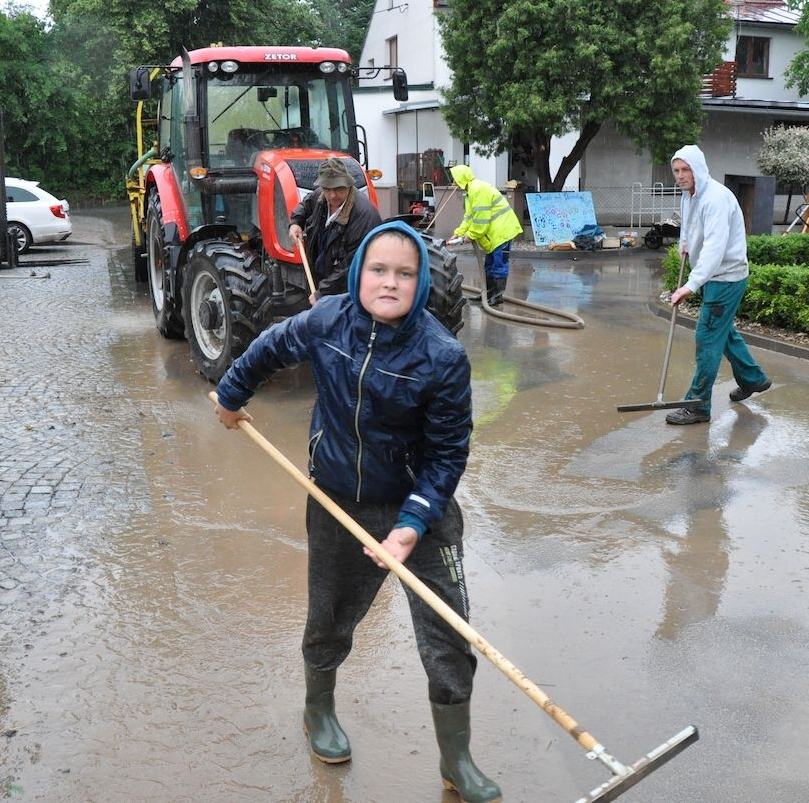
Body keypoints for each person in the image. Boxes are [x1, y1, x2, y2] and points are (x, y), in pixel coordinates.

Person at [214, 220, 501, 803]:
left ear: (421, 284)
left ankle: (456, 759)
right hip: (339, 498)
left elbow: (448, 455)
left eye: (405, 273)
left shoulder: (443, 357)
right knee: (329, 616)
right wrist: (231, 394)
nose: (389, 282)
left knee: (449, 630)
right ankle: (317, 710)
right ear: (358, 273)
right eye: (378, 270)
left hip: (422, 507)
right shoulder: (328, 321)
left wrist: (410, 527)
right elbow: (270, 345)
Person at [667, 145, 771, 425]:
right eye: (676, 170)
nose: (680, 175)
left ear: (697, 168)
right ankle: (754, 379)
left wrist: (690, 285)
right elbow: (689, 227)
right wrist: (684, 244)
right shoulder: (689, 196)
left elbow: (715, 246)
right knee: (723, 333)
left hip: (725, 278)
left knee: (707, 339)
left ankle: (698, 406)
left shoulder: (715, 198)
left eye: (685, 169)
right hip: (713, 277)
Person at [288, 157, 381, 305]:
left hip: (347, 292)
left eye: (338, 189)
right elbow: (305, 205)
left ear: (348, 184)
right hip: (322, 275)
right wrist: (295, 223)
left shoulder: (364, 216)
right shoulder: (321, 194)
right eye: (327, 189)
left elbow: (351, 265)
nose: (332, 195)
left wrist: (323, 293)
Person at [447, 164, 523, 306]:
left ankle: (497, 296)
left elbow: (481, 221)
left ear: (461, 178)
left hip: (502, 232)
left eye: (455, 179)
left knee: (498, 264)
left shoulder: (478, 190)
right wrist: (458, 233)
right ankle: (487, 294)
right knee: (489, 265)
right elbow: (469, 217)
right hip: (494, 234)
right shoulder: (470, 192)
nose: (453, 183)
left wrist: (469, 236)